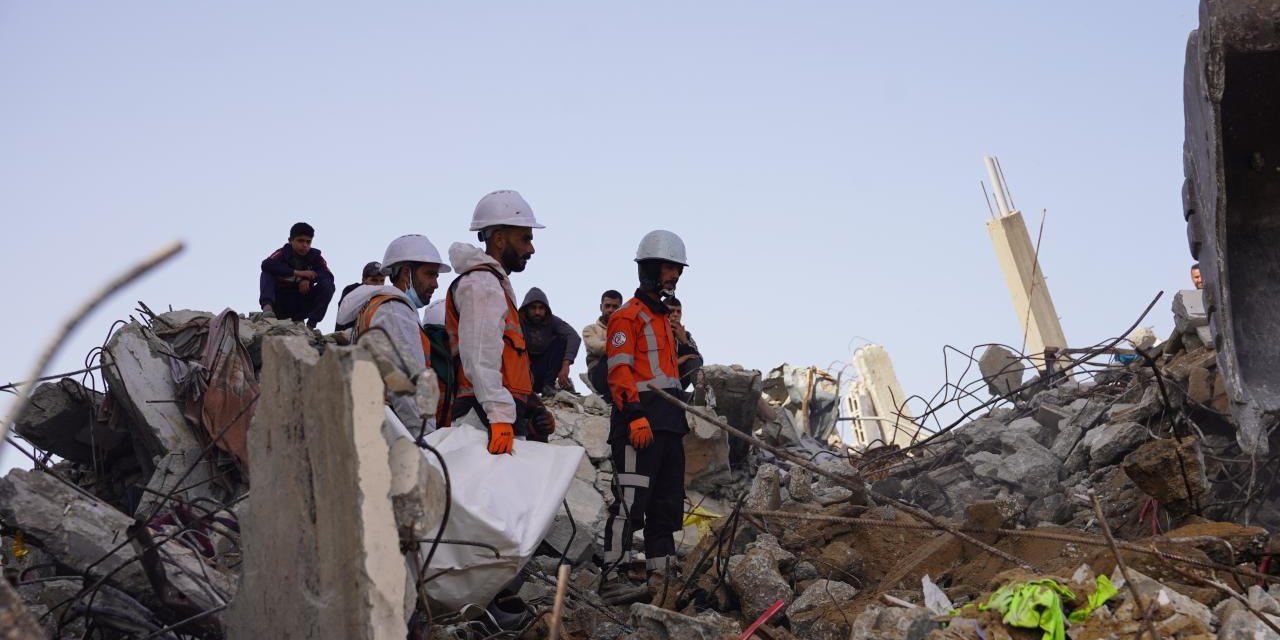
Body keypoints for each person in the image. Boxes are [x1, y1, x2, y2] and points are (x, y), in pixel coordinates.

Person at [598, 230, 694, 605]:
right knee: (630, 501)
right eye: (670, 268)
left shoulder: (665, 323)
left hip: (669, 423)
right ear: (651, 269)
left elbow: (670, 376)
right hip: (639, 423)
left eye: (678, 270)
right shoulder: (627, 317)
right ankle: (612, 576)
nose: (675, 276)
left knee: (665, 504)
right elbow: (619, 372)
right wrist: (635, 415)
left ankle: (661, 578)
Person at [445, 190, 556, 454]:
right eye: (525, 238)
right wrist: (499, 416)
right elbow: (480, 357)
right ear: (498, 239)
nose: (531, 248)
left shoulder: (494, 285)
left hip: (495, 418)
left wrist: (534, 408)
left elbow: (508, 366)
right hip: (484, 421)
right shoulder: (483, 284)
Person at [334, 234, 450, 434]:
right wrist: (424, 437)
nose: (435, 284)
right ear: (406, 273)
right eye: (430, 274)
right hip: (391, 427)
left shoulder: (377, 306)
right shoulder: (395, 309)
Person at [259, 222, 336, 329]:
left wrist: (307, 279)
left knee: (328, 285)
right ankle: (267, 309)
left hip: (301, 302)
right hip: (280, 303)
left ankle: (310, 326)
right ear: (290, 240)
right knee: (267, 273)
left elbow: (328, 276)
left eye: (308, 242)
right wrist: (297, 273)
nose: (305, 245)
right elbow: (266, 264)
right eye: (300, 241)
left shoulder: (315, 257)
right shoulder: (282, 253)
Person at [519, 287, 582, 396]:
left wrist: (566, 365)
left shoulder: (552, 321)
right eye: (533, 308)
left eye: (541, 308)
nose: (537, 312)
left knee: (561, 341)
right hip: (521, 371)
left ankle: (548, 386)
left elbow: (574, 337)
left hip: (542, 371)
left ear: (546, 309)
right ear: (526, 309)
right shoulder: (517, 320)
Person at [335, 261, 386, 332]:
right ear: (363, 280)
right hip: (346, 338)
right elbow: (345, 315)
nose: (378, 284)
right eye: (374, 280)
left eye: (382, 280)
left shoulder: (384, 295)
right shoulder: (352, 290)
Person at [664, 296, 704, 382]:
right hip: (657, 380)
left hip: (678, 381)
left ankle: (703, 392)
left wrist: (684, 341)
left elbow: (698, 360)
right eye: (671, 311)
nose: (675, 314)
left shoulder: (686, 335)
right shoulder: (654, 332)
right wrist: (677, 361)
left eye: (678, 312)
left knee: (693, 360)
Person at [582, 290, 623, 370]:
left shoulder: (626, 329)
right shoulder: (590, 329)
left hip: (620, 368)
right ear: (601, 307)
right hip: (598, 369)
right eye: (607, 306)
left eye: (615, 307)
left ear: (621, 309)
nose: (611, 310)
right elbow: (597, 348)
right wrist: (623, 345)